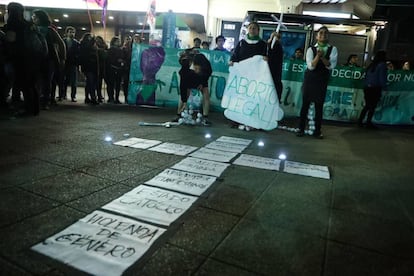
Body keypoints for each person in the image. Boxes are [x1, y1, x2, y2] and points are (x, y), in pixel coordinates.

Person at [297, 26, 338, 139]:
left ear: (328, 36)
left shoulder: (333, 49)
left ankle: (317, 131)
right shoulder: (311, 49)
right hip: (310, 79)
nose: (323, 35)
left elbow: (331, 65)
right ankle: (300, 129)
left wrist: (323, 58)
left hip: (322, 80)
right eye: (321, 33)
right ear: (316, 36)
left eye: (325, 33)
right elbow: (311, 66)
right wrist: (318, 56)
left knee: (319, 107)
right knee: (305, 105)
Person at [3, 2, 43, 116]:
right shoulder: (28, 24)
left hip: (20, 58)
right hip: (33, 57)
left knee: (24, 84)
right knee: (31, 84)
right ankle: (34, 109)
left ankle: (27, 109)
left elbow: (11, 39)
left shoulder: (12, 23)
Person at [229, 21, 267, 129]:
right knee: (239, 98)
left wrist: (265, 59)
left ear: (258, 30)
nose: (252, 30)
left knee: (253, 99)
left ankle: (251, 120)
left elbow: (265, 57)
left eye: (255, 28)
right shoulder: (242, 42)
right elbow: (235, 55)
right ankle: (236, 120)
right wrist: (232, 61)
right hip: (242, 75)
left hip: (255, 76)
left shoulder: (263, 44)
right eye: (250, 28)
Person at [32, 9, 66, 109]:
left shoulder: (49, 30)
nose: (33, 19)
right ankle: (40, 100)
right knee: (40, 81)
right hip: (38, 59)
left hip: (48, 59)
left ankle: (44, 101)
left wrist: (63, 58)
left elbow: (61, 43)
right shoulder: (33, 28)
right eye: (33, 17)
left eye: (35, 17)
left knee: (46, 81)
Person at [357, 50, 387, 129]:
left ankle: (360, 121)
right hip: (375, 88)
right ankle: (368, 122)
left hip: (367, 87)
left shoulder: (372, 65)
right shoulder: (382, 65)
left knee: (367, 106)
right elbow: (382, 78)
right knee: (372, 106)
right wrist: (385, 87)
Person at [60, 26, 80, 102]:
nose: (72, 33)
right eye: (70, 32)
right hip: (64, 63)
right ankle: (62, 94)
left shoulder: (76, 43)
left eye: (73, 32)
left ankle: (73, 96)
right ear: (67, 33)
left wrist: (77, 62)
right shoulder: (62, 41)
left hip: (73, 64)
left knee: (73, 81)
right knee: (63, 80)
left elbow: (78, 54)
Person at [79, 33, 99, 105]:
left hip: (93, 66)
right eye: (89, 37)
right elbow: (87, 48)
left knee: (89, 83)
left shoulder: (92, 45)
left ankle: (87, 97)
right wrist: (93, 40)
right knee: (91, 82)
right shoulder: (84, 44)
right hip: (88, 66)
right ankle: (93, 98)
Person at [106, 36, 125, 104]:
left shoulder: (120, 49)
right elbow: (109, 59)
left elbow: (122, 57)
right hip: (112, 68)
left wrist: (122, 61)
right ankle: (111, 97)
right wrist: (117, 60)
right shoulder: (110, 49)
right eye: (117, 41)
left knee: (117, 85)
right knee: (111, 84)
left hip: (118, 69)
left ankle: (116, 98)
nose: (119, 42)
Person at [267, 31, 283, 102]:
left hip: (276, 77)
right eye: (274, 37)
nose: (276, 39)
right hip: (266, 76)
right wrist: (270, 41)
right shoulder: (266, 47)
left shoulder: (279, 48)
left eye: (278, 37)